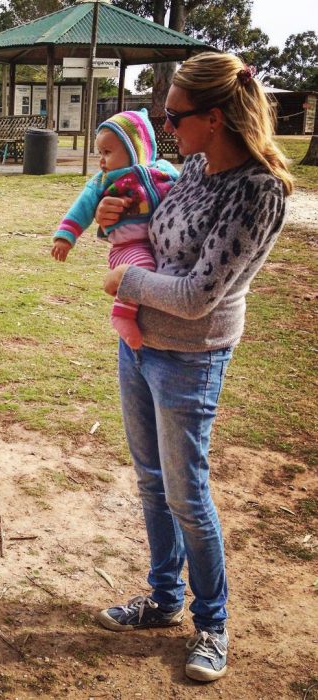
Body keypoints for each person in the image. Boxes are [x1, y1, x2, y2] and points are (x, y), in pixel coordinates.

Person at [93, 52, 292, 682]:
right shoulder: (196, 166)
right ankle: (163, 600)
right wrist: (113, 226)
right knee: (152, 483)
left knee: (187, 495)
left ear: (214, 117)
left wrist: (127, 278)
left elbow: (199, 294)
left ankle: (213, 624)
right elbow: (158, 240)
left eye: (174, 116)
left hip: (192, 357)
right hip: (141, 346)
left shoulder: (258, 193)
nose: (166, 126)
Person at [51, 109, 179, 349]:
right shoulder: (103, 180)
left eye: (107, 152)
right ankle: (123, 313)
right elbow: (82, 207)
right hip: (127, 247)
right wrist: (65, 238)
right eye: (100, 152)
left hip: (158, 244)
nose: (101, 160)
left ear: (135, 149)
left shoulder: (164, 171)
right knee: (141, 268)